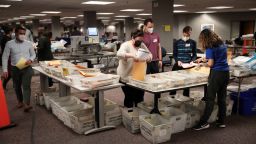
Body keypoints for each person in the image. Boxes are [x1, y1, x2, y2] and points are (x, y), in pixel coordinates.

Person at [193, 29, 229, 130]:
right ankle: (221, 121)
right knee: (222, 98)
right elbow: (216, 57)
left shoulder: (210, 47)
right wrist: (203, 58)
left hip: (216, 74)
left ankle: (204, 122)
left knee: (210, 99)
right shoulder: (222, 44)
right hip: (225, 73)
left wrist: (201, 64)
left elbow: (211, 64)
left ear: (204, 38)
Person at [2, 25, 36, 112]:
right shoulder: (9, 44)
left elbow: (33, 54)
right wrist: (5, 70)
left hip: (27, 68)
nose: (22, 35)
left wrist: (30, 60)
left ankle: (26, 104)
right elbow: (5, 57)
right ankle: (20, 101)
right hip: (15, 68)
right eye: (20, 33)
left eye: (24, 34)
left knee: (26, 86)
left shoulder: (28, 43)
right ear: (16, 33)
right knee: (17, 86)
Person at [117, 30, 152, 108]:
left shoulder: (142, 45)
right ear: (133, 38)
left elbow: (149, 53)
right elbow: (119, 54)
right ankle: (129, 116)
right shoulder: (125, 45)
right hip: (126, 77)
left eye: (141, 40)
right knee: (129, 98)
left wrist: (148, 58)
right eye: (138, 40)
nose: (140, 42)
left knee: (139, 98)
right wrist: (132, 55)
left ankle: (139, 114)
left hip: (138, 77)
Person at [170, 26, 197, 97]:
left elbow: (194, 55)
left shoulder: (193, 42)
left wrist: (192, 61)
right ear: (183, 33)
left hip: (188, 65)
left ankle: (185, 97)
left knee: (187, 83)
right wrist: (177, 60)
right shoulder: (177, 42)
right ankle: (172, 96)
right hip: (178, 65)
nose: (187, 36)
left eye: (189, 35)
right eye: (186, 34)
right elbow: (175, 54)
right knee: (174, 82)